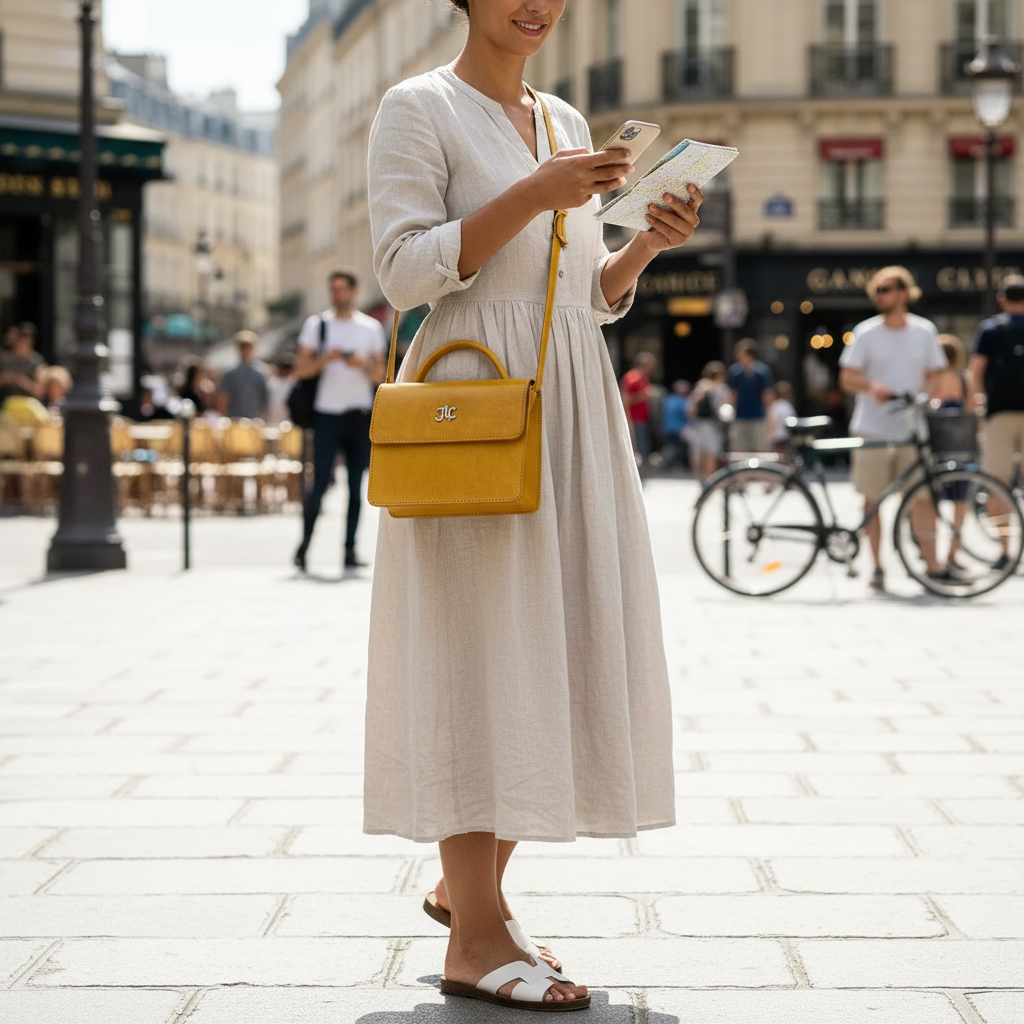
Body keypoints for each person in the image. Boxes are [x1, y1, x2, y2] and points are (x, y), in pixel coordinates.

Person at [365, 0, 702, 1010]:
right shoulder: (414, 107)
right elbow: (402, 269)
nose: (538, 5)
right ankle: (473, 932)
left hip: (570, 393)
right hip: (472, 399)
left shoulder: (559, 118)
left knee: (553, 643)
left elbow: (579, 289)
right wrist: (533, 191)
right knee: (481, 644)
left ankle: (473, 899)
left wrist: (641, 245)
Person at [839, 266, 947, 589]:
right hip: (872, 428)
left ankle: (932, 564)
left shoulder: (924, 331)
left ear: (904, 293)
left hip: (912, 430)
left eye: (886, 289)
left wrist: (928, 395)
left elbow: (936, 372)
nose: (879, 295)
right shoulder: (866, 332)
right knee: (872, 500)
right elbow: (846, 378)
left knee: (922, 498)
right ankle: (877, 567)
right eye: (877, 290)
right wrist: (871, 385)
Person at [293, 270, 386, 572]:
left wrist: (364, 364)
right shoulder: (317, 325)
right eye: (333, 290)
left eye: (342, 289)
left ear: (354, 291)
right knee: (318, 484)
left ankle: (349, 549)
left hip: (359, 414)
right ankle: (305, 544)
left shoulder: (370, 328)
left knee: (356, 488)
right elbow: (301, 370)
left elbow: (381, 376)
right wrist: (326, 359)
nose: (337, 295)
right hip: (326, 414)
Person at [969, 274, 1024, 571]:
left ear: (1002, 299)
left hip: (999, 413)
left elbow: (976, 372)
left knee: (997, 485)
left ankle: (1006, 551)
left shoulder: (990, 330)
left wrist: (978, 404)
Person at [726, 338, 773, 452]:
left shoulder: (762, 371)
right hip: (740, 416)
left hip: (758, 416)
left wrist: (770, 414)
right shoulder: (735, 371)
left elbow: (767, 394)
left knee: (760, 448)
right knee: (739, 448)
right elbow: (732, 393)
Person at [689, 360, 728, 481]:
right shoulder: (717, 388)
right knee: (710, 452)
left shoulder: (702, 386)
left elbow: (691, 405)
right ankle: (709, 477)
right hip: (710, 423)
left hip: (701, 423)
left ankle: (703, 477)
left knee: (701, 452)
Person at [218, 331, 269, 420]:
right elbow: (224, 399)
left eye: (248, 346)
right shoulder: (230, 372)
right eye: (243, 346)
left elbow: (264, 399)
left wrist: (264, 419)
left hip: (254, 422)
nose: (246, 350)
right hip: (234, 421)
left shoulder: (261, 372)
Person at [621, 351, 656, 466]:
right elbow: (626, 398)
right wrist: (644, 395)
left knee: (643, 448)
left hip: (643, 418)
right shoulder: (632, 378)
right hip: (634, 419)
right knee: (636, 448)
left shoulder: (643, 378)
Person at [0, 323, 45, 404]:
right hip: (6, 404)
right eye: (21, 339)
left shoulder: (37, 361)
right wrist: (6, 378)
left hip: (29, 404)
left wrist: (22, 382)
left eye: (27, 339)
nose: (23, 343)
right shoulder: (5, 359)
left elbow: (39, 391)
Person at [660, 379, 691, 468]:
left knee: (671, 447)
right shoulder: (684, 401)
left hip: (667, 428)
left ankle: (667, 462)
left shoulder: (668, 399)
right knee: (678, 449)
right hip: (678, 430)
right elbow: (688, 414)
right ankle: (667, 462)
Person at [766, 380, 796, 459]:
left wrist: (769, 437)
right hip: (784, 437)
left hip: (778, 437)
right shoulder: (788, 406)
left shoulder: (774, 405)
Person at [266, 355, 297, 426]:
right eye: (283, 367)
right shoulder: (273, 383)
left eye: (287, 368)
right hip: (272, 421)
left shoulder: (294, 384)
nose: (285, 370)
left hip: (288, 422)